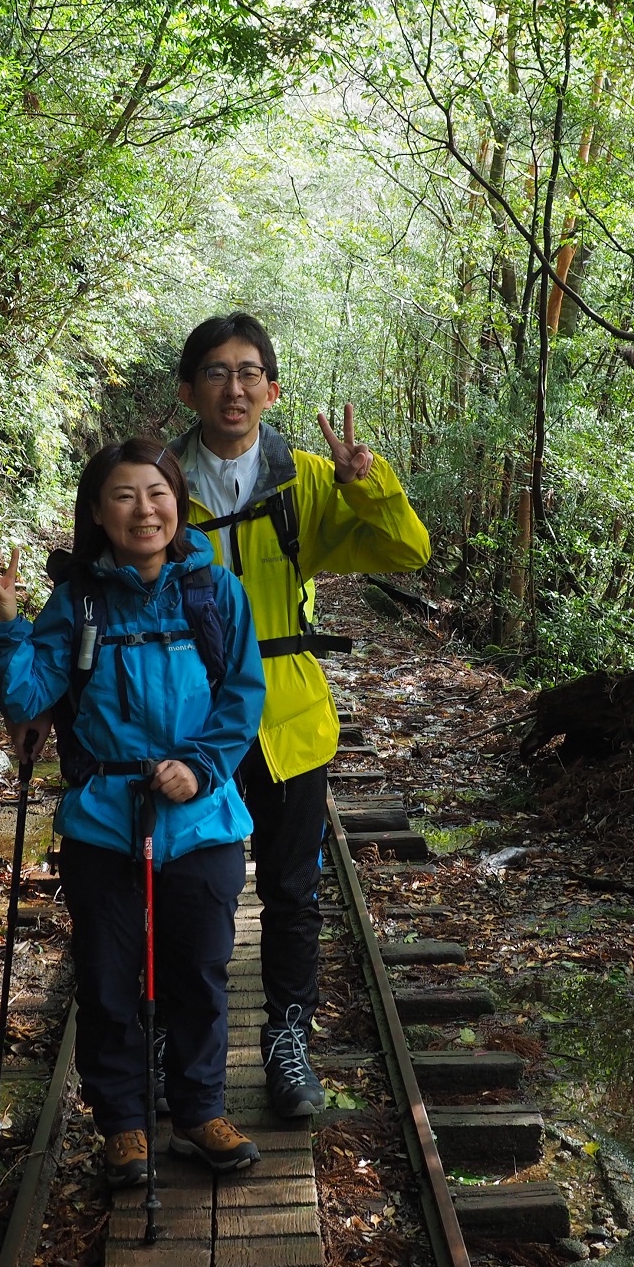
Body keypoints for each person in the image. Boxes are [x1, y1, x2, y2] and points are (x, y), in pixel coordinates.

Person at [0, 437, 267, 1186]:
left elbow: (242, 696)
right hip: (105, 820)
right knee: (108, 980)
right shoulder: (77, 601)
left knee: (199, 972)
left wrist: (198, 768)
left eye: (158, 493)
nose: (146, 509)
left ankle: (199, 1113)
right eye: (126, 497)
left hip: (200, 821)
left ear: (178, 501)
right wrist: (6, 624)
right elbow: (29, 696)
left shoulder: (213, 592)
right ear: (98, 515)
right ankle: (124, 1127)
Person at [171, 311, 431, 1119]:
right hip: (187, 721)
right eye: (217, 372)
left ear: (272, 389)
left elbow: (405, 552)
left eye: (250, 372)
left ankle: (288, 1040)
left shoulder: (308, 481)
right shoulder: (161, 484)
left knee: (291, 890)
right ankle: (180, 1048)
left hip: (287, 718)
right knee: (186, 892)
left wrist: (370, 484)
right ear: (189, 391)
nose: (234, 387)